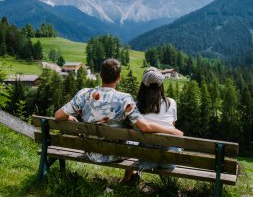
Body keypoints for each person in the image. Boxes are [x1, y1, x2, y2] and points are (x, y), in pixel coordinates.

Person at [55, 59, 183, 181]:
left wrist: (70, 117)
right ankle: (129, 177)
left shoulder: (84, 94)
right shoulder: (124, 100)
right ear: (119, 77)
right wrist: (172, 130)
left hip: (91, 151)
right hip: (116, 154)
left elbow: (58, 115)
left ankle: (129, 176)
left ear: (100, 75)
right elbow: (145, 127)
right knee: (133, 137)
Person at [137, 67, 183, 171]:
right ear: (161, 85)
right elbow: (172, 126)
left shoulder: (138, 106)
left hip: (146, 161)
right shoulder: (171, 103)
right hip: (168, 161)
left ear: (143, 86)